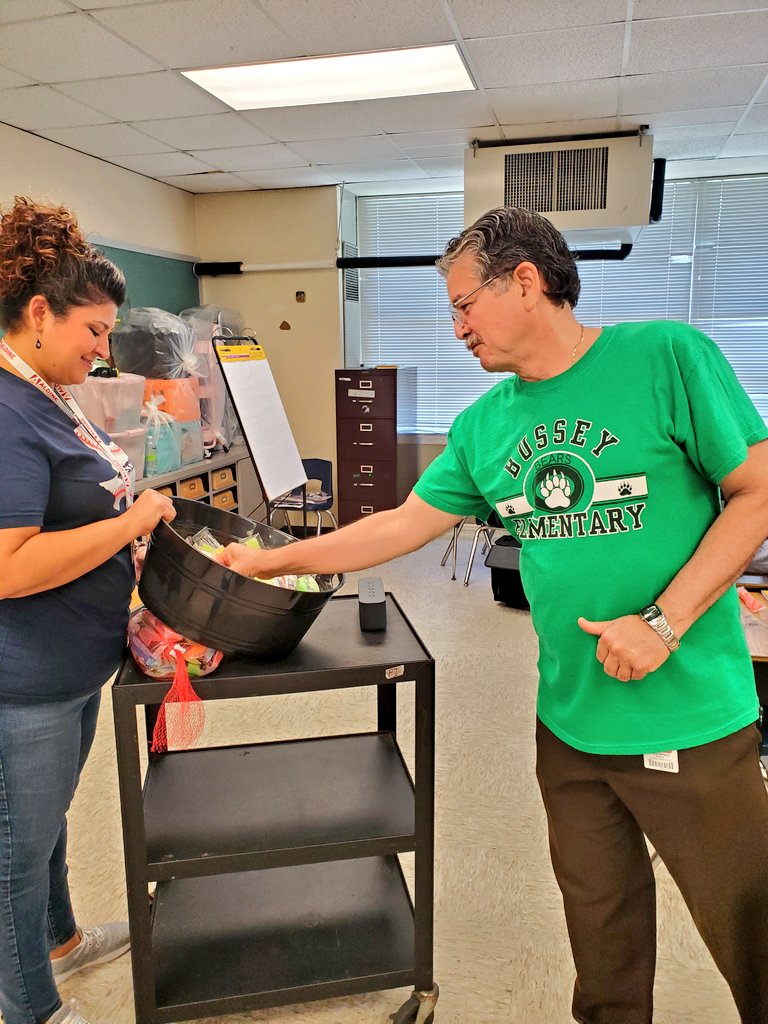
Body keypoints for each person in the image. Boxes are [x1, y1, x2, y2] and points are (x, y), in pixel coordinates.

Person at [219, 205, 768, 1024]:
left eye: (463, 305)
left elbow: (755, 492)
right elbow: (400, 526)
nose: (457, 329)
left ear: (526, 281)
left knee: (751, 934)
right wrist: (268, 559)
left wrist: (663, 622)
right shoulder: (485, 426)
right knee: (603, 942)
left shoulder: (666, 356)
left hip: (690, 720)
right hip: (571, 727)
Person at [0, 196, 176, 1024]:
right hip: (22, 680)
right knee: (13, 856)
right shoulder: (4, 412)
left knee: (49, 823)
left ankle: (63, 943)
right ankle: (33, 1008)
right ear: (40, 313)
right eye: (94, 330)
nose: (104, 350)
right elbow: (8, 568)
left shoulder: (48, 392)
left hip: (73, 663)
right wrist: (132, 523)